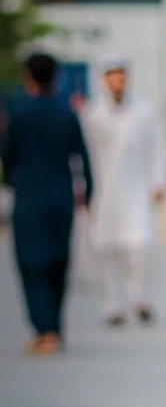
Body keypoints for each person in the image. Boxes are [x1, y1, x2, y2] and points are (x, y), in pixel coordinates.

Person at [1, 53, 93, 355]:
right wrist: (87, 193)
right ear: (56, 77)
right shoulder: (67, 113)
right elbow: (82, 157)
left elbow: (8, 156)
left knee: (31, 264)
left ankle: (43, 330)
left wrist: (13, 181)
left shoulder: (19, 112)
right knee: (58, 261)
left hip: (28, 197)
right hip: (61, 197)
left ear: (28, 77)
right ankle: (55, 326)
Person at [82, 56, 166, 327]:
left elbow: (157, 148)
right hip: (103, 191)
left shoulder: (144, 110)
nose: (118, 81)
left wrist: (158, 182)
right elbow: (84, 155)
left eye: (122, 75)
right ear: (105, 80)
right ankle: (112, 304)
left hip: (137, 189)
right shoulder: (93, 113)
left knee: (140, 245)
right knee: (104, 248)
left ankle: (137, 297)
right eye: (112, 76)